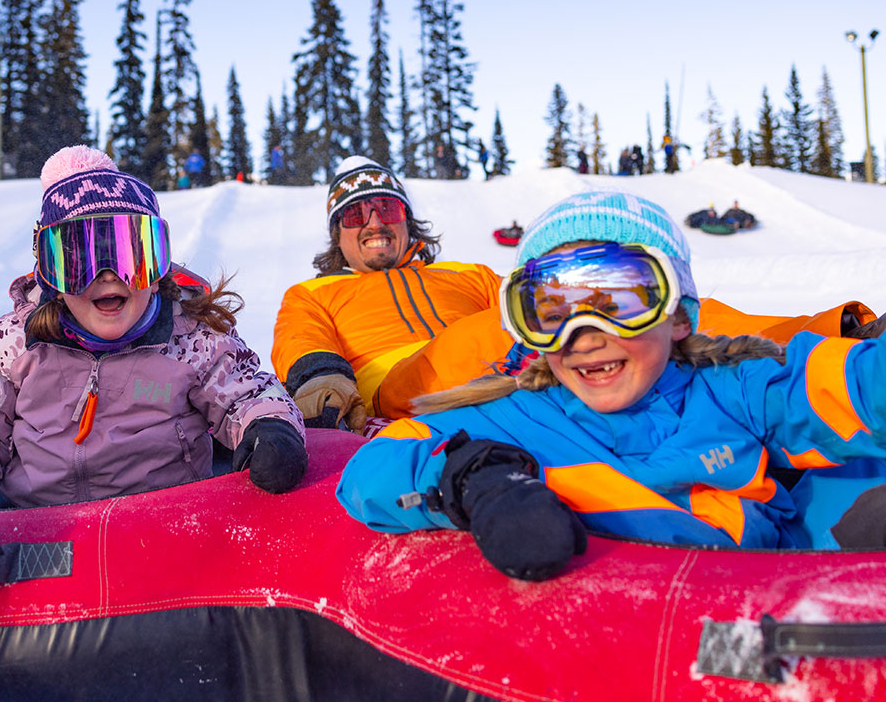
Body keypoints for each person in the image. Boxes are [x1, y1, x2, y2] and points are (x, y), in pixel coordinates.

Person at [337, 189, 886, 580]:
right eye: (552, 310)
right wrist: (475, 480)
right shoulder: (520, 416)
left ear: (677, 315)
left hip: (778, 588)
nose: (585, 335)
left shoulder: (731, 386)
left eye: (620, 300)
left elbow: (841, 385)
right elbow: (371, 469)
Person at [0, 146, 306, 509]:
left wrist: (270, 427)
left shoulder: (190, 339)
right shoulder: (14, 343)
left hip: (164, 518)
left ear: (158, 269)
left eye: (130, 256)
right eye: (77, 261)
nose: (108, 276)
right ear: (49, 274)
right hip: (39, 521)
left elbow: (247, 392)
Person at [272, 157, 505, 431]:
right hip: (396, 392)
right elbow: (301, 340)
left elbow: (532, 302)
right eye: (356, 214)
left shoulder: (470, 274)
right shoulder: (312, 294)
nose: (374, 224)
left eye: (388, 210)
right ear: (337, 233)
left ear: (407, 220)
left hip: (496, 375)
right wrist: (322, 380)